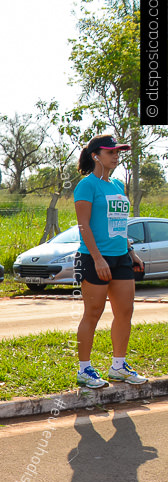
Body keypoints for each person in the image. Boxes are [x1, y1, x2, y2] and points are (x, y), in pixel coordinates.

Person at [73, 134, 147, 388]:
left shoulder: (117, 185)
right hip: (94, 259)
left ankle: (118, 366)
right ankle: (84, 370)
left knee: (125, 312)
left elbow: (118, 225)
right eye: (111, 152)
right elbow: (83, 225)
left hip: (121, 258)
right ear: (96, 155)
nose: (116, 156)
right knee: (93, 313)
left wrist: (131, 251)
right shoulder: (87, 185)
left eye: (118, 152)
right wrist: (97, 258)